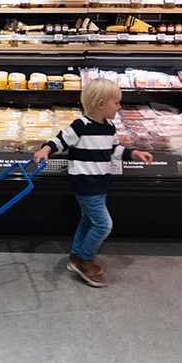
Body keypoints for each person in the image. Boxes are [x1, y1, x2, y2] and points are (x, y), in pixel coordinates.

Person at [33, 78, 153, 288]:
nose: (119, 106)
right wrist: (45, 150)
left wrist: (134, 153)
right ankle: (85, 260)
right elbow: (59, 141)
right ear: (100, 103)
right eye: (116, 102)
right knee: (104, 224)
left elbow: (114, 150)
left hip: (100, 183)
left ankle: (75, 257)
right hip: (85, 184)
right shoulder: (80, 126)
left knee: (88, 221)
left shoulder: (109, 127)